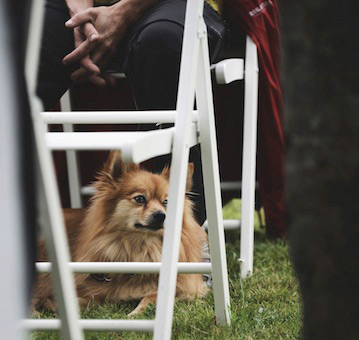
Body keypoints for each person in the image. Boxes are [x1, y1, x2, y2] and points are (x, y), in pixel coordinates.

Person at [36, 0, 229, 224]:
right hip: (81, 9)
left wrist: (123, 12)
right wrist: (80, 16)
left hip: (174, 6)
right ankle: (5, 226)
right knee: (24, 46)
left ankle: (184, 234)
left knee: (161, 42)